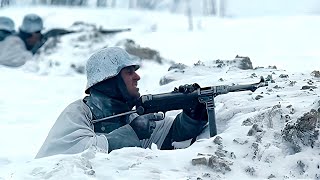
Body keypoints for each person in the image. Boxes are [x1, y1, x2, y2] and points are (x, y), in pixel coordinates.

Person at [36, 47, 208, 158]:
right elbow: (71, 156)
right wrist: (131, 132)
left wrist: (193, 113)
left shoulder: (131, 116)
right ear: (109, 81)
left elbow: (172, 134)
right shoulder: (78, 113)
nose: (137, 77)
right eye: (129, 72)